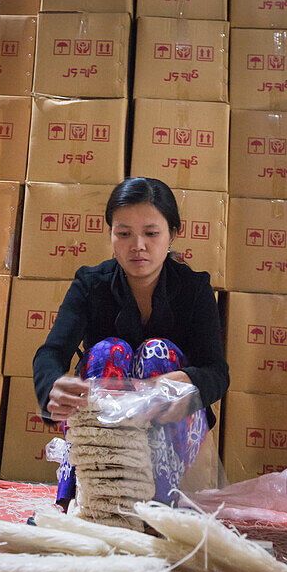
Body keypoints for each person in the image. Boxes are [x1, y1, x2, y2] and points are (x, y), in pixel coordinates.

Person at [32, 176, 229, 507]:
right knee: (111, 350)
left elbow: (217, 372)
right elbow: (51, 352)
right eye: (124, 233)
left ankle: (158, 501)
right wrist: (52, 385)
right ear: (110, 234)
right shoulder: (89, 284)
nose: (138, 245)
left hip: (171, 422)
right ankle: (89, 492)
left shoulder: (194, 290)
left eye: (151, 233)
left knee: (158, 354)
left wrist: (187, 382)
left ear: (172, 235)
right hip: (102, 430)